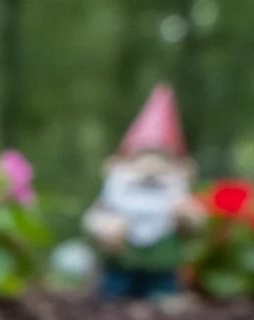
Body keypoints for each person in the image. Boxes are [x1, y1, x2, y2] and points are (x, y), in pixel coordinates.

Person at [83, 84, 205, 300]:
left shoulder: (178, 197)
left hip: (162, 267)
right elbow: (92, 219)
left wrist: (188, 218)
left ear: (183, 170)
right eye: (140, 162)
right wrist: (103, 227)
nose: (150, 172)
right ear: (115, 166)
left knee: (164, 296)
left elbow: (196, 227)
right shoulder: (114, 196)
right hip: (120, 265)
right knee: (113, 295)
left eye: (161, 164)